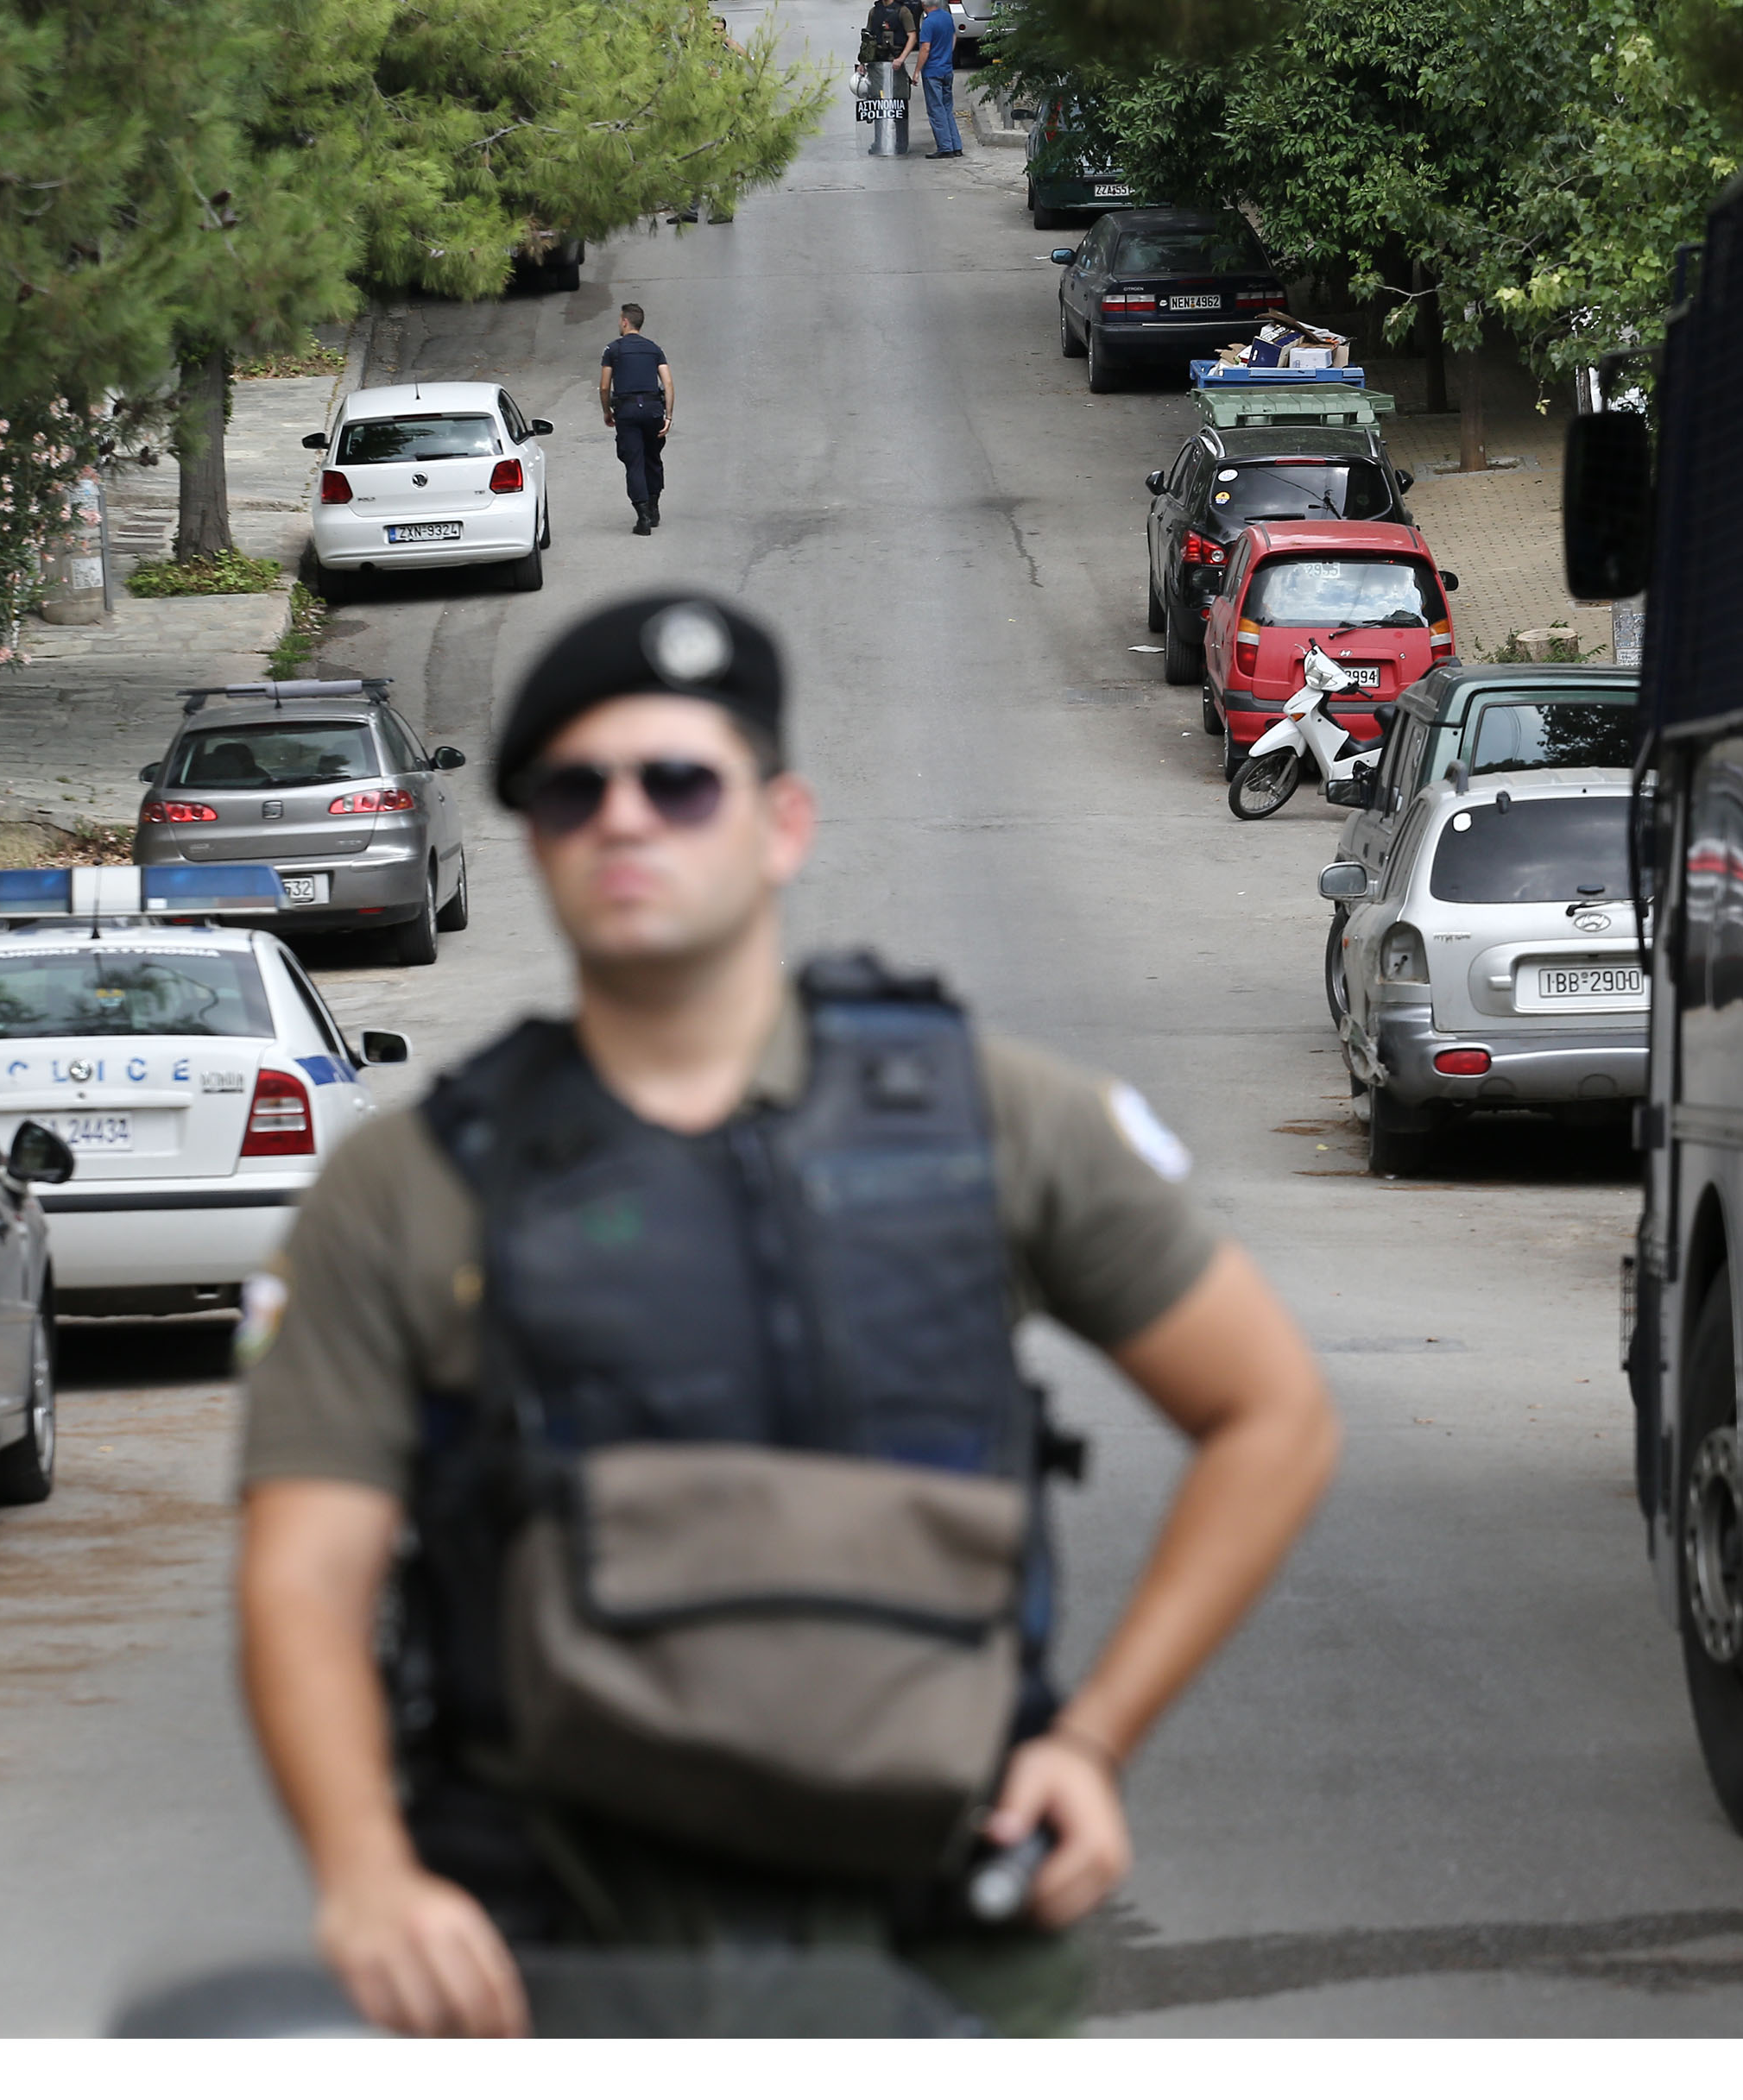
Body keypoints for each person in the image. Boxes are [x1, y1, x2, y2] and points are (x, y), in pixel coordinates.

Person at [237, 591, 1338, 2038]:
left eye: (678, 782)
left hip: (935, 1946)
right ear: (536, 846)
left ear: (780, 822)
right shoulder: (406, 1183)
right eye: (574, 792)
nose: (625, 821)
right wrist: (365, 1870)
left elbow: (1272, 1414)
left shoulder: (994, 1120)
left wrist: (1092, 1737)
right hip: (558, 1951)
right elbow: (302, 1571)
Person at [597, 306, 673, 534]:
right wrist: (668, 415)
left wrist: (607, 411)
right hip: (652, 410)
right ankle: (654, 507)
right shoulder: (654, 349)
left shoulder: (613, 350)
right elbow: (668, 384)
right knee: (652, 457)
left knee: (634, 462)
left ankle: (643, 518)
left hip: (627, 411)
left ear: (624, 322)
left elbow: (604, 386)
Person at [861, 0, 917, 155]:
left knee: (899, 102)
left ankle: (901, 143)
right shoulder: (874, 11)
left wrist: (902, 58)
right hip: (877, 64)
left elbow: (912, 36)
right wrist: (863, 63)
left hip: (895, 64)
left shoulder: (903, 12)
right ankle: (880, 142)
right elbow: (868, 38)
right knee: (878, 104)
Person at [916, 0, 962, 159]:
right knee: (947, 108)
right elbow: (953, 36)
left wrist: (917, 71)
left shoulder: (928, 22)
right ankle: (956, 145)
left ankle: (945, 147)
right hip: (947, 69)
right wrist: (947, 54)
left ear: (924, 4)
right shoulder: (947, 17)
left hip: (933, 71)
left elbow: (925, 48)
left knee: (936, 109)